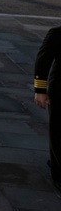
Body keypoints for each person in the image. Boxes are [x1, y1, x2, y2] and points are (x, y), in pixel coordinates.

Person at [34, 26, 61, 192]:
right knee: (58, 132)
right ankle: (58, 173)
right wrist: (40, 90)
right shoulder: (57, 34)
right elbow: (43, 62)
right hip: (60, 90)